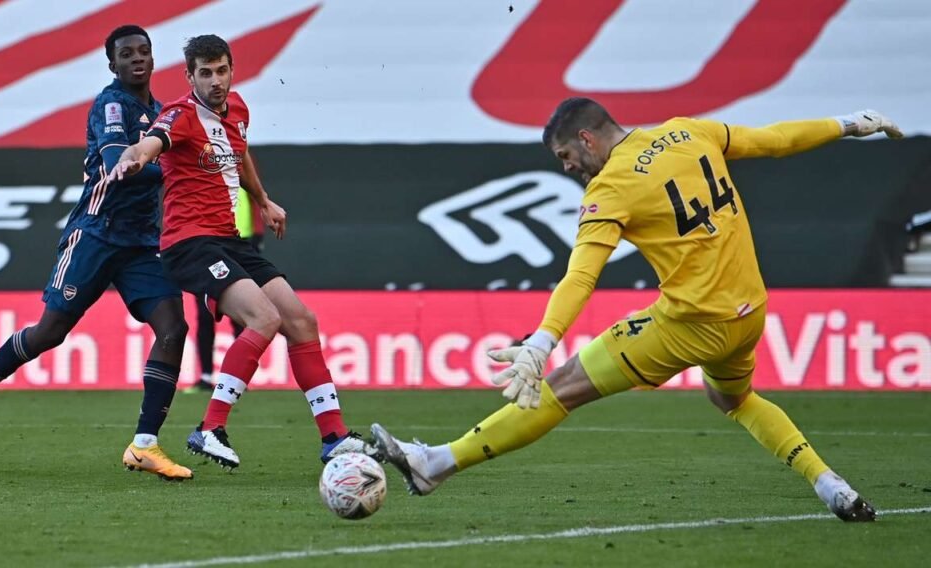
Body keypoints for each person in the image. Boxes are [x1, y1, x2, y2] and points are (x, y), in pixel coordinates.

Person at [372, 99, 904, 522]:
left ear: (585, 138)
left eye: (565, 157)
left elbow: (582, 273)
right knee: (734, 400)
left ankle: (435, 464)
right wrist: (849, 124)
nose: (568, 169)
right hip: (748, 315)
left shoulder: (611, 188)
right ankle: (827, 481)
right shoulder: (687, 131)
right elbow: (774, 140)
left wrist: (542, 340)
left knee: (561, 386)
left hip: (690, 324)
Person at [108, 34, 375, 470]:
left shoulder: (238, 111)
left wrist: (264, 201)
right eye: (206, 73)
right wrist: (133, 158)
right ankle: (210, 428)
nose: (216, 81)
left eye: (222, 70)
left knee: (302, 322)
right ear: (189, 76)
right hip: (189, 243)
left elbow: (241, 153)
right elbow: (150, 144)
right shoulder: (180, 115)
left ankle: (334, 437)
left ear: (232, 69)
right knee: (264, 319)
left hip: (228, 238)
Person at [0, 25, 193, 481]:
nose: (137, 58)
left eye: (144, 51)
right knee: (50, 332)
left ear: (154, 59)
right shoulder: (111, 104)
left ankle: (144, 444)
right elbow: (121, 163)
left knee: (173, 327)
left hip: (141, 244)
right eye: (127, 54)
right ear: (112, 64)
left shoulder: (160, 114)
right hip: (96, 233)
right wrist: (168, 168)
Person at [186, 188, 263, 393]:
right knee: (204, 314)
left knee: (240, 315)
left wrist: (257, 234)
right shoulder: (199, 165)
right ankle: (205, 376)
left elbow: (255, 195)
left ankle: (237, 378)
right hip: (207, 245)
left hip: (240, 244)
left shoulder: (239, 159)